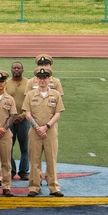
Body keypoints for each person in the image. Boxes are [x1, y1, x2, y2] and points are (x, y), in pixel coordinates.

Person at [24, 67, 66, 197]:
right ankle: (34, 187)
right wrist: (38, 128)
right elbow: (27, 114)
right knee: (34, 160)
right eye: (40, 78)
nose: (42, 80)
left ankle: (53, 187)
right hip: (34, 131)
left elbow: (58, 113)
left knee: (51, 160)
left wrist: (46, 127)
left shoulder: (55, 95)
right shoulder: (31, 95)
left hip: (50, 131)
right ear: (36, 79)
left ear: (49, 79)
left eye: (45, 78)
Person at [0, 70, 19, 195]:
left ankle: (6, 187)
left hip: (5, 135)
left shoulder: (9, 99)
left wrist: (4, 129)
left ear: (5, 83)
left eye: (1, 81)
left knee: (6, 162)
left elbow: (12, 115)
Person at [5, 61, 30, 180]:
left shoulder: (28, 83)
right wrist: (12, 116)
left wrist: (22, 115)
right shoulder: (6, 84)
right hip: (9, 119)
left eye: (18, 68)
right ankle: (11, 170)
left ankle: (24, 171)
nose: (16, 70)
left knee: (25, 147)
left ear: (22, 70)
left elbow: (31, 101)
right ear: (11, 70)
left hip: (24, 119)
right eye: (14, 68)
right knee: (8, 146)